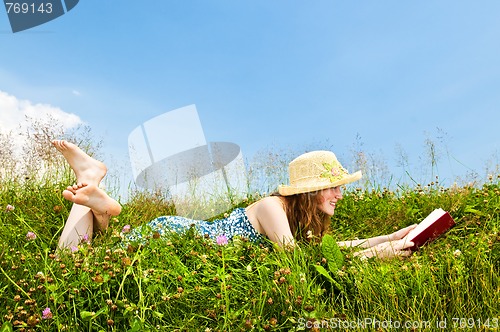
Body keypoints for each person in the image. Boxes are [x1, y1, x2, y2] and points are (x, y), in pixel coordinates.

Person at [53, 140, 416, 259]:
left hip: (181, 238)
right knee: (68, 261)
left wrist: (389, 238)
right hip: (175, 235)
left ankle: (99, 203)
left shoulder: (296, 219)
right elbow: (303, 263)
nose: (340, 193)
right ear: (310, 190)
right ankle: (90, 181)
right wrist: (374, 256)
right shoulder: (273, 208)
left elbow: (330, 250)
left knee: (93, 253)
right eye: (333, 185)